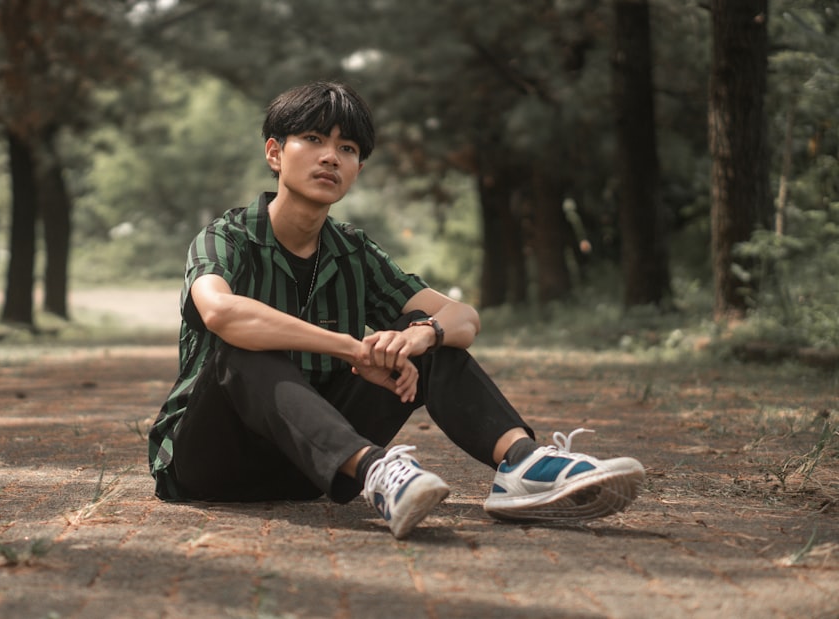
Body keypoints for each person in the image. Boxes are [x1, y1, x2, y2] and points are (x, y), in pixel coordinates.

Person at [148, 81, 645, 539]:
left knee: (425, 333)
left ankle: (523, 465)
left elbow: (464, 316)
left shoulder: (353, 252)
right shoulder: (227, 237)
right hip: (210, 460)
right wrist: (351, 348)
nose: (331, 157)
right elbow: (223, 315)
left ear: (358, 170)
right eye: (315, 139)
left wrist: (421, 336)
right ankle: (377, 472)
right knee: (243, 348)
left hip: (308, 469)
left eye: (347, 149)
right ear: (275, 153)